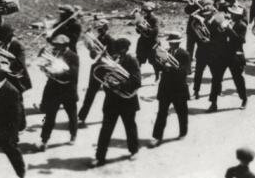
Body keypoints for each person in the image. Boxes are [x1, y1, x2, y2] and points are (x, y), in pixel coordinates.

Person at [91, 37, 140, 167]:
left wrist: (119, 84)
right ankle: (99, 157)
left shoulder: (132, 60)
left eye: (119, 50)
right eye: (115, 50)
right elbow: (103, 77)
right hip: (112, 101)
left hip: (127, 100)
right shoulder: (112, 60)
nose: (116, 52)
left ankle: (134, 151)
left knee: (130, 127)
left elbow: (137, 81)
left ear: (125, 50)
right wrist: (107, 83)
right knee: (106, 129)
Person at [38, 35, 79, 151]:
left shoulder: (73, 56)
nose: (55, 48)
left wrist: (56, 72)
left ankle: (73, 135)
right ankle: (44, 140)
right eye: (55, 45)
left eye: (58, 46)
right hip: (54, 90)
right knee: (49, 117)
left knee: (72, 116)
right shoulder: (54, 54)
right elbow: (47, 67)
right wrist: (45, 68)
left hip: (68, 90)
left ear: (64, 46)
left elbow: (73, 75)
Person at [150, 33, 191, 147]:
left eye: (173, 43)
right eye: (170, 42)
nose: (171, 45)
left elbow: (187, 71)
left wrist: (172, 68)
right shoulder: (165, 52)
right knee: (161, 113)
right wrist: (159, 63)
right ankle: (157, 137)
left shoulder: (184, 54)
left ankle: (183, 132)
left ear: (178, 42)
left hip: (178, 88)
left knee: (182, 112)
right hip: (165, 87)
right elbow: (158, 68)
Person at [78, 18, 114, 124]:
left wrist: (104, 54)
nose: (99, 31)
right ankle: (81, 117)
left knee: (110, 95)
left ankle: (108, 117)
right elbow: (93, 56)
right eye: (98, 29)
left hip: (107, 69)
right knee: (90, 93)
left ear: (106, 28)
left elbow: (114, 55)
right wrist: (92, 51)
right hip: (98, 68)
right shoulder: (97, 39)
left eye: (101, 29)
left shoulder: (110, 40)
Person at [0, 23, 31, 93]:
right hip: (8, 77)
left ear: (9, 35)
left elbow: (20, 64)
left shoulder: (18, 45)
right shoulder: (6, 44)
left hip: (17, 78)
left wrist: (6, 65)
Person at [135, 1, 161, 81]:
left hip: (152, 42)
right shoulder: (144, 18)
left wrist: (145, 28)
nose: (145, 12)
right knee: (139, 60)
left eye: (147, 11)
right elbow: (138, 31)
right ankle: (137, 77)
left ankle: (157, 76)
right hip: (143, 42)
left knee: (154, 61)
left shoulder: (155, 19)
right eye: (144, 11)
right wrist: (138, 27)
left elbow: (155, 31)